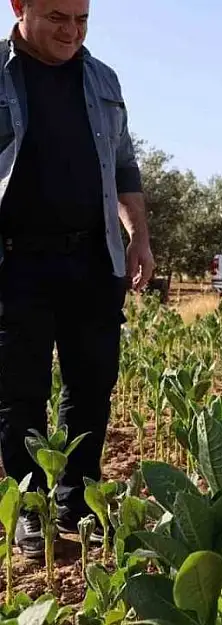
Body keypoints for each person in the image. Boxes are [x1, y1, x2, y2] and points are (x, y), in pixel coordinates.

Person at [0, 0, 153, 559]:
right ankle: (31, 507)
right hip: (15, 264)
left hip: (92, 260)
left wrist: (138, 236)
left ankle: (78, 502)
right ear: (19, 7)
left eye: (82, 19)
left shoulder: (102, 79)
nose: (72, 31)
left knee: (92, 384)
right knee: (20, 391)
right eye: (58, 18)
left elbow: (124, 165)